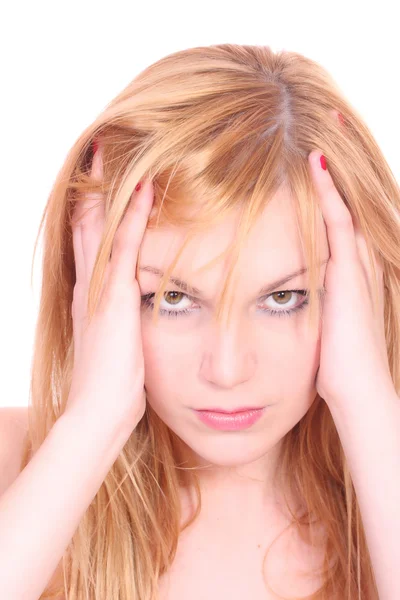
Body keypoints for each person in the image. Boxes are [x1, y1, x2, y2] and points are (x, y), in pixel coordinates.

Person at [0, 43, 398, 600]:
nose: (228, 370)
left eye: (284, 297)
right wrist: (91, 425)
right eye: (171, 299)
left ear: (359, 289)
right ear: (92, 290)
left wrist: (369, 406)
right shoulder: (15, 463)